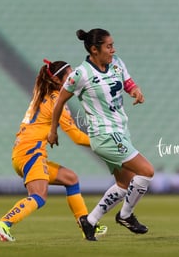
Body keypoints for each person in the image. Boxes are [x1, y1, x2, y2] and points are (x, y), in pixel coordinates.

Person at [48, 29, 155, 241]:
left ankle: (90, 220)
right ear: (94, 50)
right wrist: (53, 130)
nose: (113, 49)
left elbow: (128, 83)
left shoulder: (116, 63)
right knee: (146, 171)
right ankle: (125, 215)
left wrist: (136, 91)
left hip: (120, 131)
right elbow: (60, 100)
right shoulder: (81, 74)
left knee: (125, 184)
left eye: (113, 45)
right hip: (104, 135)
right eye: (108, 46)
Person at [0, 60, 107, 242]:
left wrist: (52, 130)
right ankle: (4, 223)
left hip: (24, 152)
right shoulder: (56, 101)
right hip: (30, 153)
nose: (74, 77)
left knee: (71, 178)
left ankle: (86, 225)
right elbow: (76, 137)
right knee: (39, 196)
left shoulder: (41, 93)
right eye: (69, 75)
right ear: (59, 81)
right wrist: (106, 142)